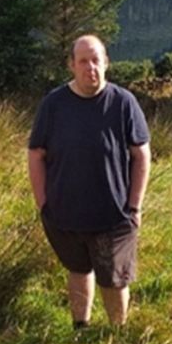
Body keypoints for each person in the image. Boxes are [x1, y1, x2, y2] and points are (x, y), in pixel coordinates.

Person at [28, 34, 151, 328]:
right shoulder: (54, 104)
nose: (90, 67)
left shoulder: (123, 103)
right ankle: (80, 327)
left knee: (115, 279)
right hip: (64, 214)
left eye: (96, 60)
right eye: (83, 61)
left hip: (115, 214)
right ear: (71, 65)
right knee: (78, 269)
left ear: (106, 63)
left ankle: (116, 335)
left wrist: (134, 207)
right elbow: (36, 154)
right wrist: (43, 204)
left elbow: (142, 155)